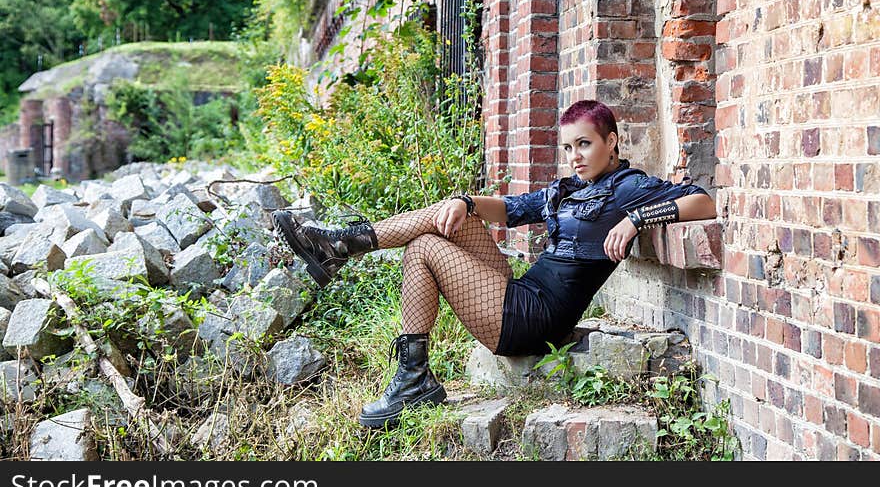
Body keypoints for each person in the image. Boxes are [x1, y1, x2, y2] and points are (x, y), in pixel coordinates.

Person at [271, 99, 717, 428]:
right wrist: (466, 201)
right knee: (453, 214)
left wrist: (636, 218)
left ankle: (408, 372)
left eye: (584, 144)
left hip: (535, 319)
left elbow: (702, 202)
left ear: (611, 141)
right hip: (520, 293)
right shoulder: (566, 189)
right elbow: (512, 207)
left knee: (424, 248)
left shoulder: (628, 187)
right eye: (568, 148)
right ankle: (343, 246)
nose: (575, 155)